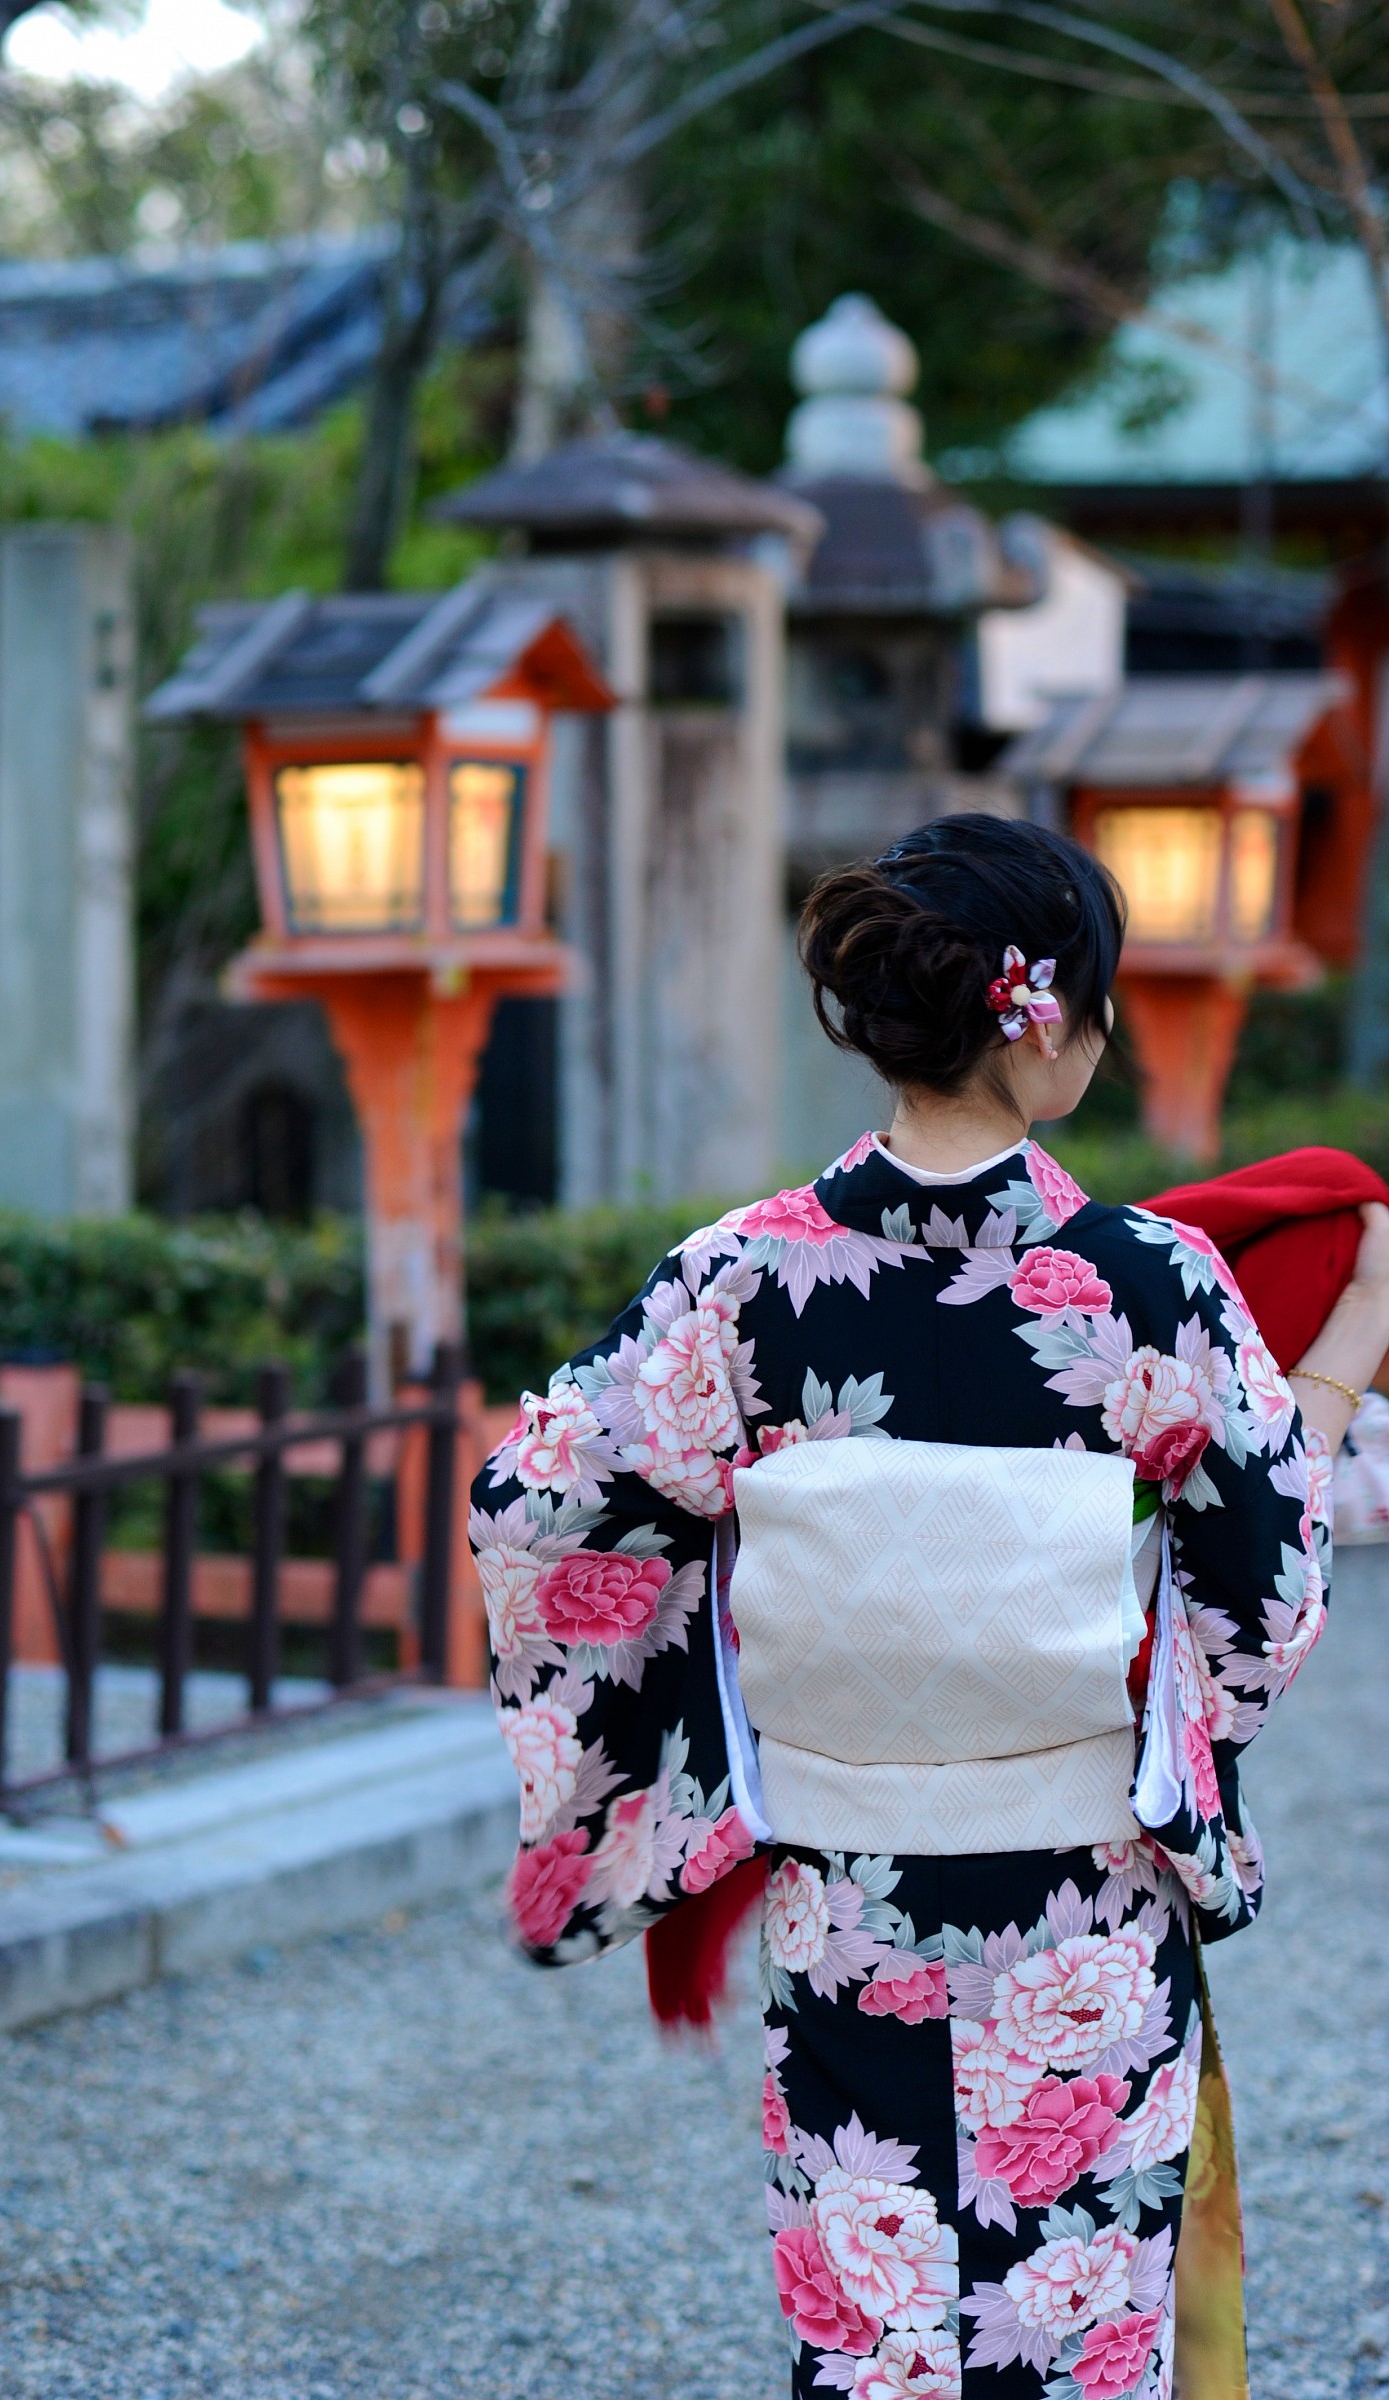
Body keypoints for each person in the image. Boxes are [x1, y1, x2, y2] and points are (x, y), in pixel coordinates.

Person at [472, 812, 1389, 2400]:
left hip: (853, 1895)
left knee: (880, 2328)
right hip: (1085, 1905)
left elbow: (539, 1510)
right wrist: (1333, 1369)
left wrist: (701, 1752)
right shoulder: (1148, 1284)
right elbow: (1267, 1578)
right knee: (1075, 2327)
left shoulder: (743, 1278)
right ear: (1051, 1025)